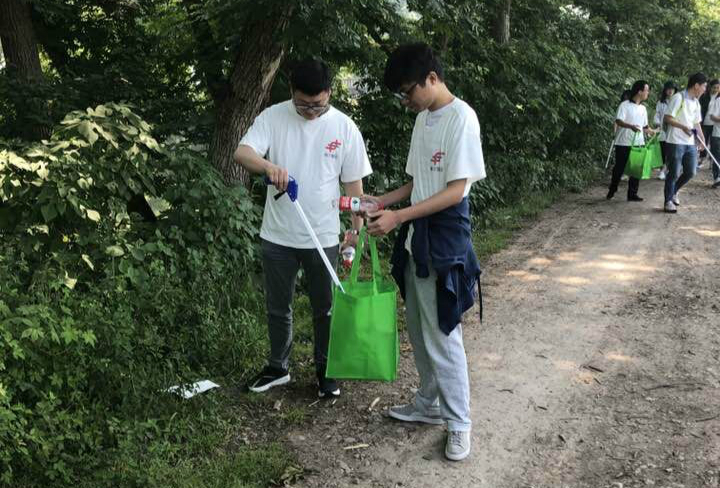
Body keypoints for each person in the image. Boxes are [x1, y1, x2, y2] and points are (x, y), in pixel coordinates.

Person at [363, 43, 484, 462]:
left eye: (408, 91)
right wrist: (383, 201)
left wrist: (398, 217)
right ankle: (429, 403)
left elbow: (455, 192)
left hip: (445, 238)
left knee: (443, 333)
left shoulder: (462, 118)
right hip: (417, 235)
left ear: (431, 78)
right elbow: (418, 183)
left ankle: (459, 423)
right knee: (418, 328)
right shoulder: (422, 119)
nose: (406, 100)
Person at [234, 58, 372, 398]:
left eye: (318, 105)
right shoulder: (273, 117)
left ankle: (326, 371)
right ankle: (278, 367)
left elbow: (354, 187)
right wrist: (268, 166)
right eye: (303, 104)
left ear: (329, 93)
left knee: (325, 309)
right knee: (278, 307)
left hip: (323, 236)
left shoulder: (344, 127)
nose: (310, 111)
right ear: (291, 91)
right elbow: (242, 152)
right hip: (277, 235)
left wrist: (354, 232)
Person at [663, 72, 707, 213]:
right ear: (696, 85)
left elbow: (696, 123)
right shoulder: (678, 97)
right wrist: (683, 127)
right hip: (675, 141)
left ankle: (674, 191)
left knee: (691, 171)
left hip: (690, 143)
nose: (705, 89)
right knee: (674, 172)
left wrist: (702, 139)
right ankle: (668, 201)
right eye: (704, 86)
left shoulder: (696, 102)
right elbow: (667, 118)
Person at [606, 80, 655, 201]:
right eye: (646, 90)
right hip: (623, 142)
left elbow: (645, 127)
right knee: (619, 168)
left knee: (636, 168)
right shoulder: (624, 105)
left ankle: (632, 194)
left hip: (638, 143)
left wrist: (653, 131)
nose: (648, 93)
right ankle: (612, 189)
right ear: (639, 91)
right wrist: (630, 126)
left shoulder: (643, 109)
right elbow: (618, 121)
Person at [654, 81, 677, 180]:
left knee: (671, 151)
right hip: (663, 130)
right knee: (663, 151)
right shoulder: (661, 102)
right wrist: (658, 124)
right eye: (668, 89)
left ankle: (666, 170)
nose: (670, 91)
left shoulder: (677, 101)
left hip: (673, 130)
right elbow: (657, 115)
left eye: (672, 89)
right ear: (665, 90)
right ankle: (663, 170)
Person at [699, 78, 720, 167]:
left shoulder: (719, 98)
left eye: (718, 87)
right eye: (714, 87)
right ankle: (702, 158)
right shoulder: (705, 96)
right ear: (710, 87)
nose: (716, 89)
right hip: (705, 122)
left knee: (714, 144)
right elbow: (700, 109)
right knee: (703, 141)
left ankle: (712, 161)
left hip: (715, 124)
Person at [707, 88, 720, 187]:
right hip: (717, 133)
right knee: (717, 156)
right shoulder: (718, 100)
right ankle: (717, 178)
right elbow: (712, 116)